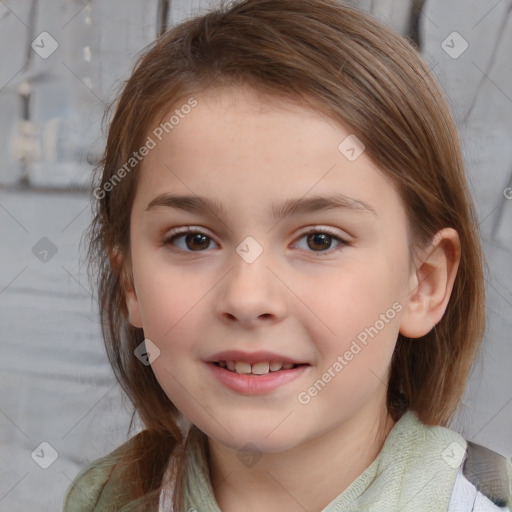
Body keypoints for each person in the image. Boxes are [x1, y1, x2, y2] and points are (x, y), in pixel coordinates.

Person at [63, 0, 512, 510]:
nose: (248, 298)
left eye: (319, 240)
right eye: (193, 239)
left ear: (423, 283)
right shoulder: (105, 499)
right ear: (130, 285)